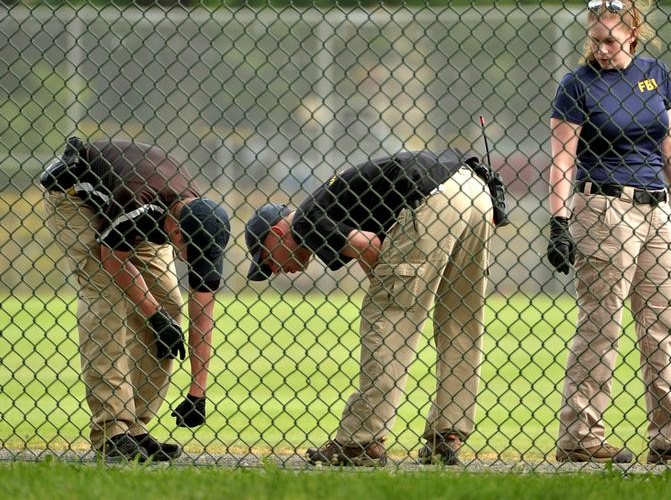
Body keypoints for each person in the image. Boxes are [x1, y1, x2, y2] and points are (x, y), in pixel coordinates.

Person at [546, 0, 671, 466]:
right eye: (595, 40)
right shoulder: (577, 84)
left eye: (610, 41)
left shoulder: (654, 74)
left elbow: (670, 145)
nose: (601, 50)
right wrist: (558, 220)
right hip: (603, 208)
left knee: (665, 325)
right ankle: (580, 436)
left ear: (634, 35)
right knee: (602, 324)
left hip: (657, 209)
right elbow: (562, 157)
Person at [245, 149, 494, 466]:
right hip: (474, 191)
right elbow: (372, 254)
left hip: (431, 198)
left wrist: (396, 285)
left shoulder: (305, 222)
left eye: (268, 260)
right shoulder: (326, 205)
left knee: (388, 319)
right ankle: (449, 432)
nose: (275, 271)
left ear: (278, 233)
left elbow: (370, 248)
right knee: (460, 321)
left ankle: (360, 441)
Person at [41, 136, 231, 462]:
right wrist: (153, 315)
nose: (189, 260)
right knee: (107, 297)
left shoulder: (202, 223)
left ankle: (136, 427)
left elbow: (202, 314)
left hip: (131, 207)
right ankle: (112, 429)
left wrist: (197, 393)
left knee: (169, 304)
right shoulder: (138, 203)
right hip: (76, 196)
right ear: (174, 230)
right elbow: (113, 258)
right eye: (187, 251)